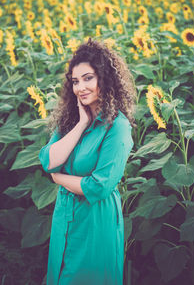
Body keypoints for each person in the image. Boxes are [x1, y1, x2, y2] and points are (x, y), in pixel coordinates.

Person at [39, 38, 135, 285]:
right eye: (75, 81)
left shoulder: (118, 127)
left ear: (104, 78)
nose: (81, 87)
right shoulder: (72, 119)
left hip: (95, 220)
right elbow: (49, 160)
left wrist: (59, 178)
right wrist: (81, 124)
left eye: (88, 78)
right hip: (65, 214)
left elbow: (99, 186)